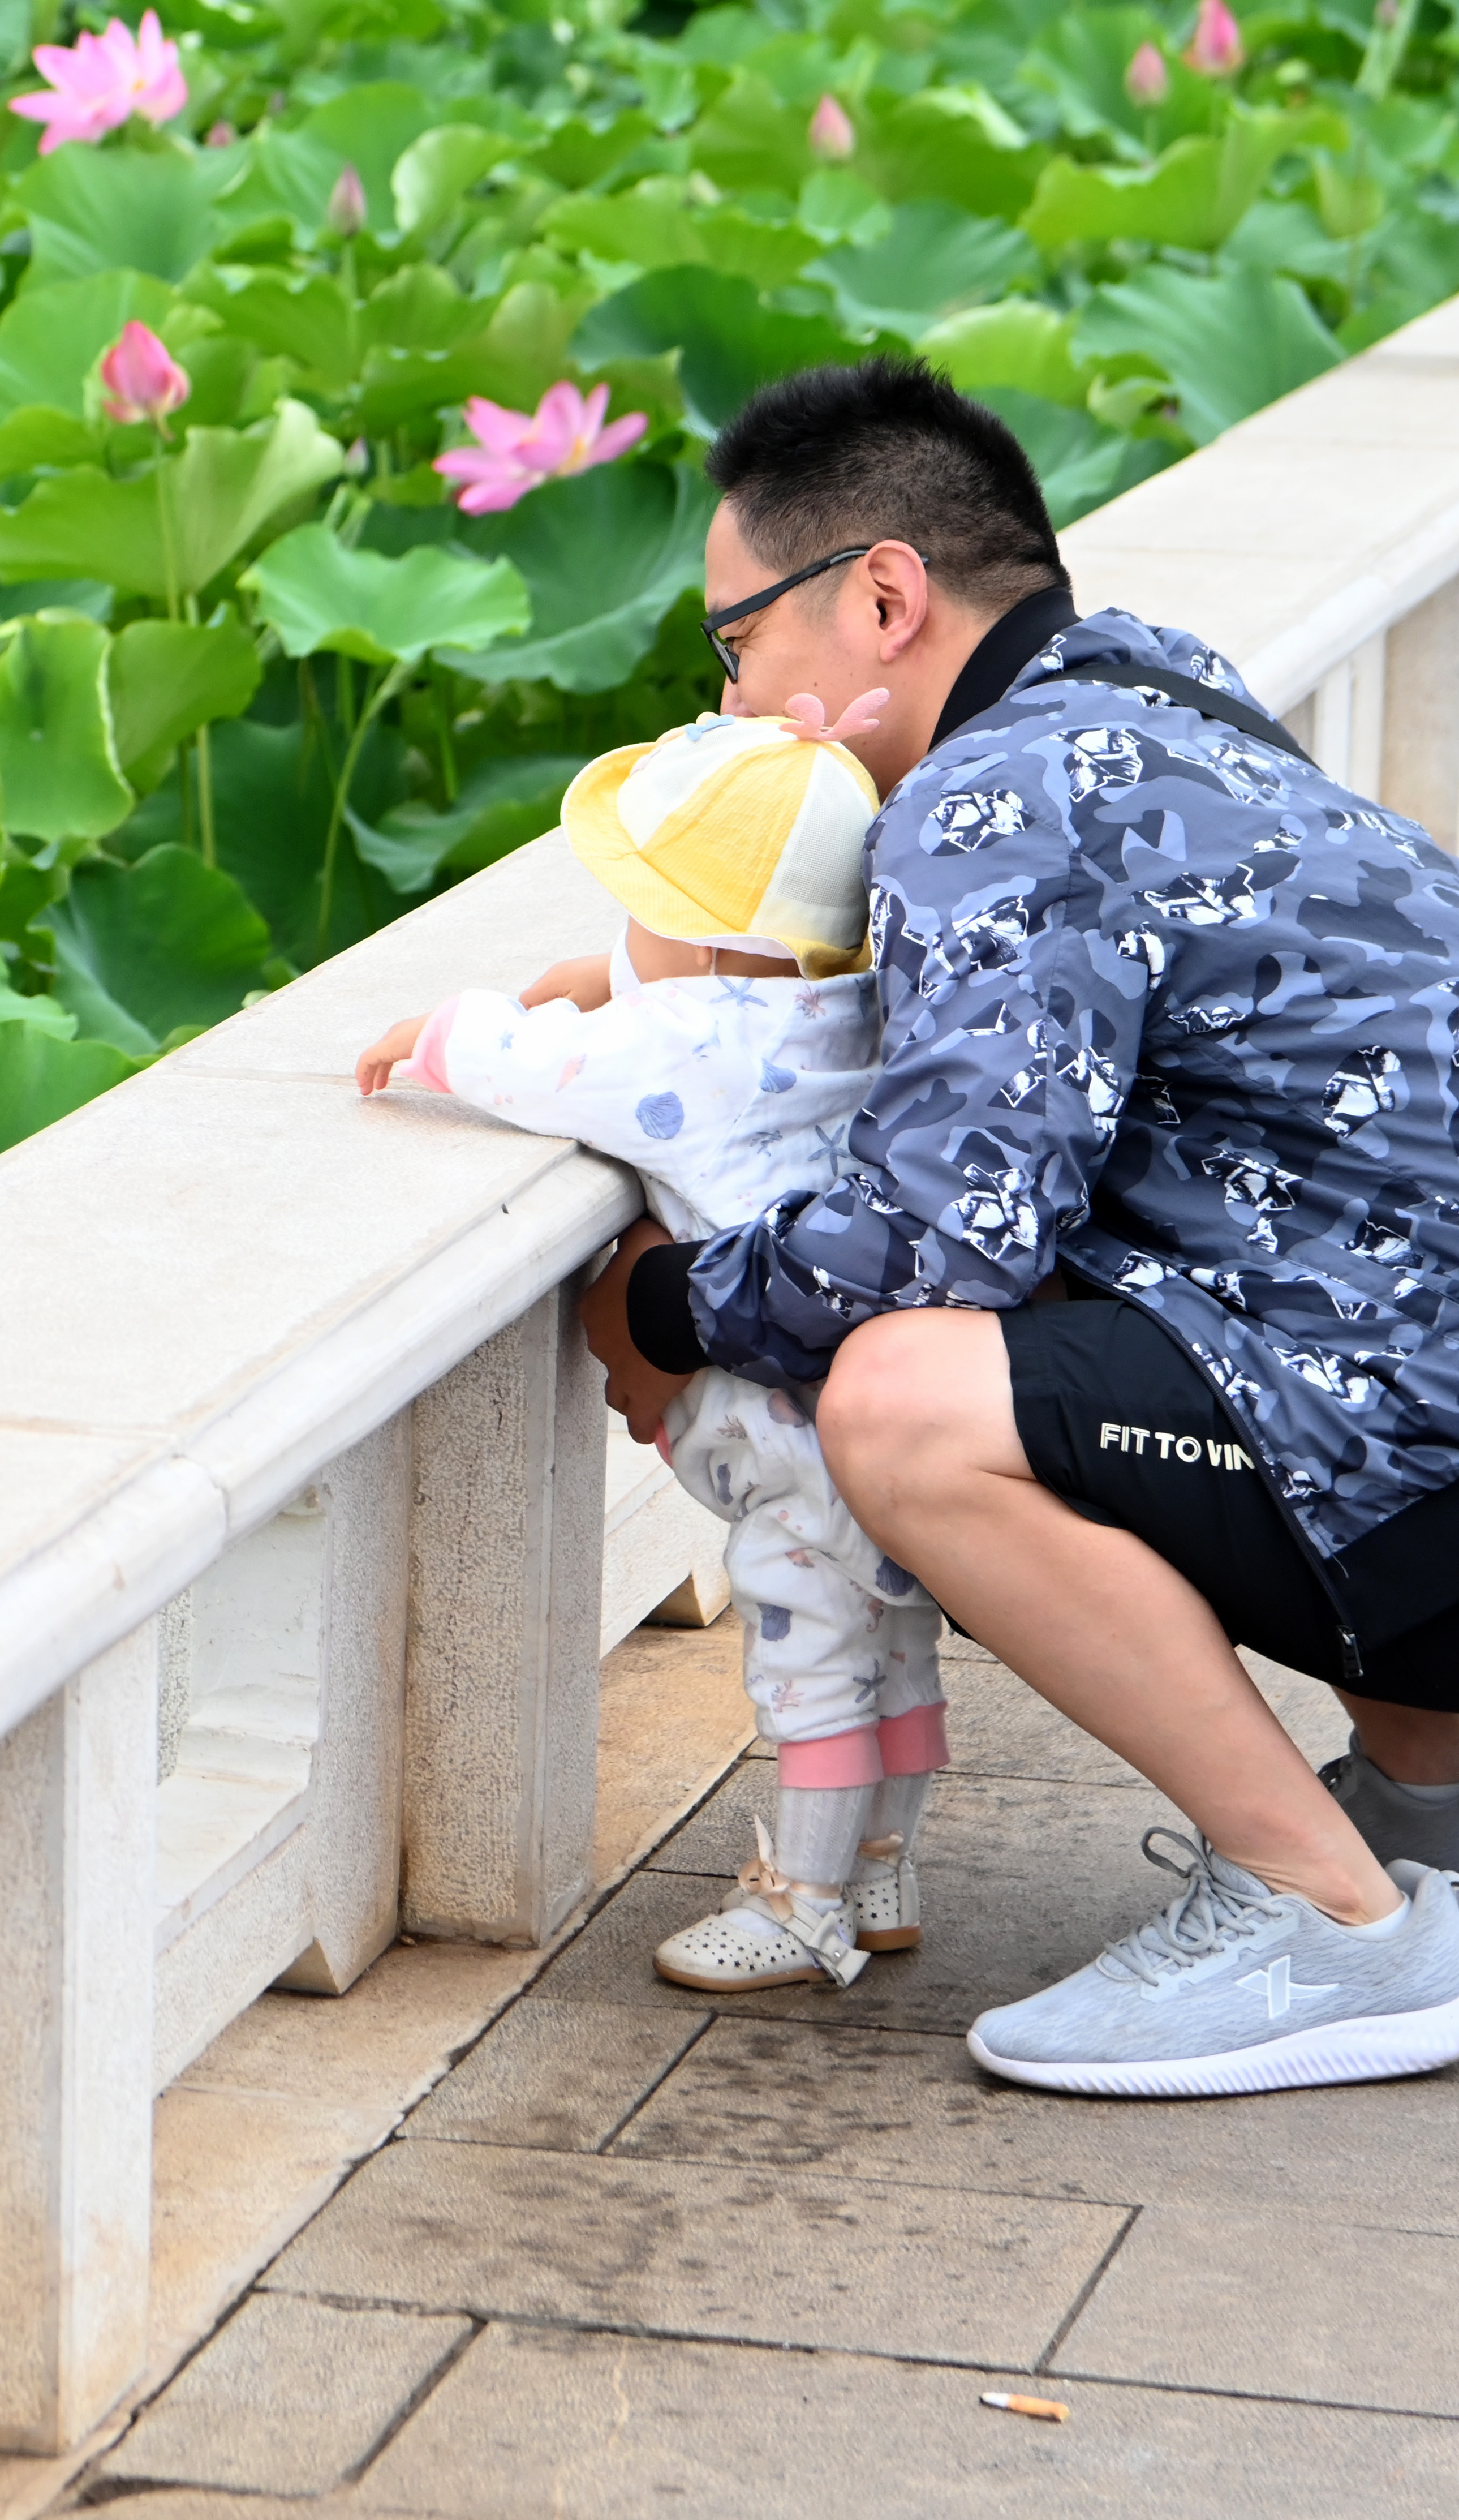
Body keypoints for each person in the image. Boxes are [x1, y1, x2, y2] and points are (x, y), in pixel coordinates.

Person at [576, 356, 1459, 2100]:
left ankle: (1324, 1918)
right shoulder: (1145, 699)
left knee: (909, 1401)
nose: (727, 701)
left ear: (878, 595)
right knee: (1158, 1294)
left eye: (732, 644)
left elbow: (922, 1247)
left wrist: (660, 1304)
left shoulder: (984, 803)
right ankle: (1448, 1805)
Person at [358, 702, 952, 1993]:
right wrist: (613, 979)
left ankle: (802, 1904)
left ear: (693, 933)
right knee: (893, 1647)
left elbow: (550, 1069)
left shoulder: (684, 1048)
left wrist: (443, 1035)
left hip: (788, 1445)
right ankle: (885, 1871)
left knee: (809, 1668)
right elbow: (685, 1007)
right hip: (886, 1411)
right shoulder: (839, 1015)